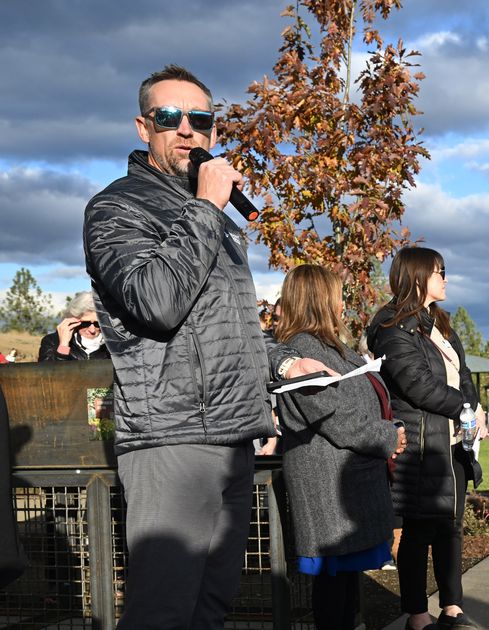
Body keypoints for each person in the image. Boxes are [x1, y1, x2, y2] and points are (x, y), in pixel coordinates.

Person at [82, 64, 328, 628]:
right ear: (144, 128)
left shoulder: (211, 217)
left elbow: (228, 325)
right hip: (171, 436)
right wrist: (208, 207)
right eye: (170, 117)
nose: (188, 130)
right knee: (162, 611)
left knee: (212, 608)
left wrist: (285, 360)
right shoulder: (117, 208)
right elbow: (156, 303)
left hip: (233, 435)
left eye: (202, 119)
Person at [273, 266, 404, 629]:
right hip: (327, 485)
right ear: (318, 300)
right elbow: (335, 416)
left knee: (345, 586)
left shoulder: (333, 348)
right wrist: (388, 436)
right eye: (336, 295)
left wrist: (389, 428)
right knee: (332, 590)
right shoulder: (302, 350)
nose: (341, 303)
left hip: (345, 479)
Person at [367, 246, 489, 630]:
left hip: (452, 441)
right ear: (418, 276)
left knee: (451, 525)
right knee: (419, 530)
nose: (445, 278)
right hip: (420, 443)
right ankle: (417, 614)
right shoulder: (391, 327)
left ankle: (452, 606)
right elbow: (417, 385)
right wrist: (465, 411)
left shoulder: (439, 323)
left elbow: (462, 374)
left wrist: (475, 408)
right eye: (440, 271)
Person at [38, 292, 111, 362]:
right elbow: (48, 373)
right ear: (72, 319)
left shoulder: (114, 344)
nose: (92, 330)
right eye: (85, 323)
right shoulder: (52, 341)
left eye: (97, 324)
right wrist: (63, 346)